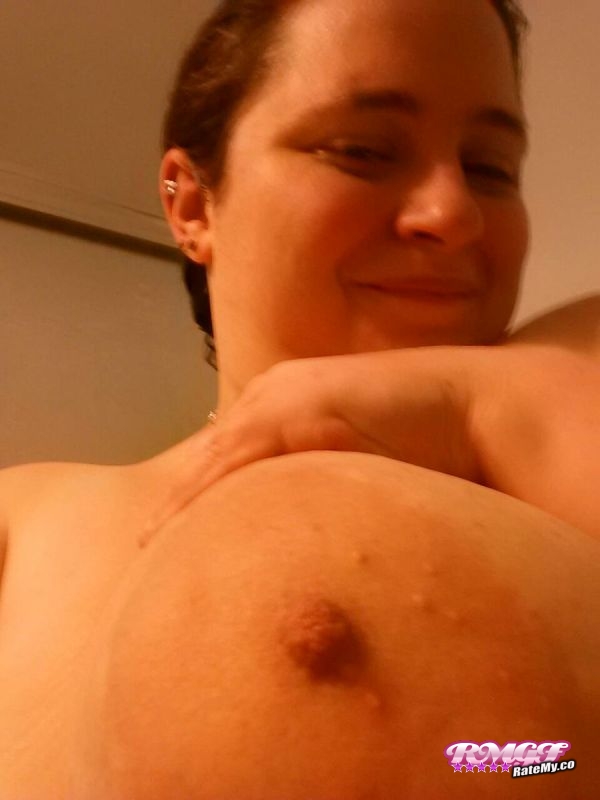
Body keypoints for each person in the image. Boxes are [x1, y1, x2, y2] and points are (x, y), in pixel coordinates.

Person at [0, 0, 598, 797]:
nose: (452, 213)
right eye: (362, 151)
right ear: (191, 205)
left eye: (490, 167)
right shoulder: (23, 526)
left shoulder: (576, 387)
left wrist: (469, 402)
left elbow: (550, 759)